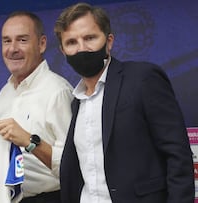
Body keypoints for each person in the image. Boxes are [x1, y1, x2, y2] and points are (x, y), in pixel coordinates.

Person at [53, 2, 194, 203]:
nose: (81, 48)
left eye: (90, 38)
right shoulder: (77, 102)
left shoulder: (143, 78)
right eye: (71, 42)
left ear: (109, 41)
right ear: (62, 50)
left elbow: (178, 155)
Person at [0, 11, 74, 203]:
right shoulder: (4, 93)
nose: (12, 49)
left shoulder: (57, 91)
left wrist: (30, 141)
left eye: (22, 40)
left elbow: (73, 166)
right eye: (6, 41)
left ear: (42, 44)